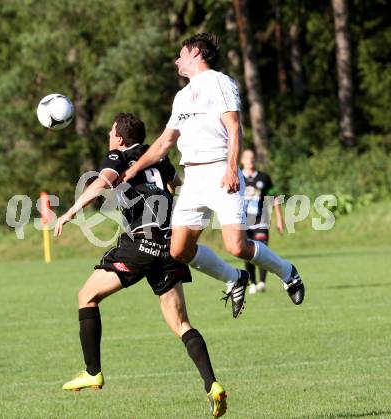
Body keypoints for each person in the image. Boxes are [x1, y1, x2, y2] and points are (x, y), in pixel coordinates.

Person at [54, 113, 227, 418]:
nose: (109, 136)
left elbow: (102, 182)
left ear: (120, 138)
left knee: (86, 297)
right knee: (180, 323)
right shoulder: (157, 157)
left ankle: (92, 371)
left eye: (110, 132)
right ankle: (212, 384)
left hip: (140, 243)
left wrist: (71, 212)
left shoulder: (118, 155)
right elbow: (176, 184)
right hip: (168, 245)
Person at [124, 33, 305, 307]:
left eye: (181, 54)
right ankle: (234, 278)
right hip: (193, 179)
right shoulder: (182, 96)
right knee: (179, 250)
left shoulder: (219, 82)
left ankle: (286, 271)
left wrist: (232, 168)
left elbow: (234, 127)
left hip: (221, 173)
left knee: (237, 246)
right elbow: (164, 143)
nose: (176, 60)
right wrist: (133, 168)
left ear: (195, 53)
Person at [241, 148, 284, 294]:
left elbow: (275, 198)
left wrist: (280, 219)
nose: (250, 161)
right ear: (242, 160)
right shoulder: (237, 176)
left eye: (252, 158)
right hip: (243, 221)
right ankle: (252, 282)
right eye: (247, 158)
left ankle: (262, 282)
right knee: (247, 251)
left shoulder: (264, 178)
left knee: (262, 249)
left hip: (260, 220)